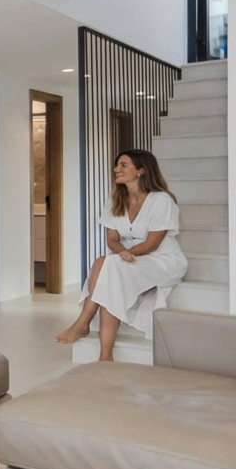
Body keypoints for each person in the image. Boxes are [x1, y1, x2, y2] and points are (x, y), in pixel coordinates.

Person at [56, 149, 188, 360]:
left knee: (107, 266)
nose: (116, 169)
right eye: (117, 165)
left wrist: (125, 254)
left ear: (141, 171)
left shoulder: (161, 200)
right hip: (127, 257)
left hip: (162, 259)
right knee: (108, 270)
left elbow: (153, 243)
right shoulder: (115, 199)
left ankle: (84, 324)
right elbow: (112, 240)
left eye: (123, 165)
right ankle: (104, 355)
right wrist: (121, 253)